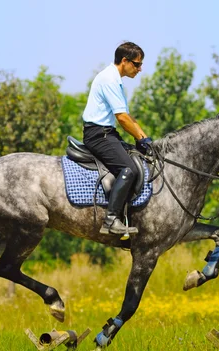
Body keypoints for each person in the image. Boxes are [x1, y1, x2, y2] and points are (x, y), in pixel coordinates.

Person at [82, 42, 152, 236]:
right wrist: (141, 138)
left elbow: (128, 117)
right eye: (137, 64)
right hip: (98, 135)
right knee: (127, 169)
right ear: (124, 61)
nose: (140, 69)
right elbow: (121, 118)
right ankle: (111, 219)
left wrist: (145, 138)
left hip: (107, 133)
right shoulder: (109, 79)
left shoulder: (115, 79)